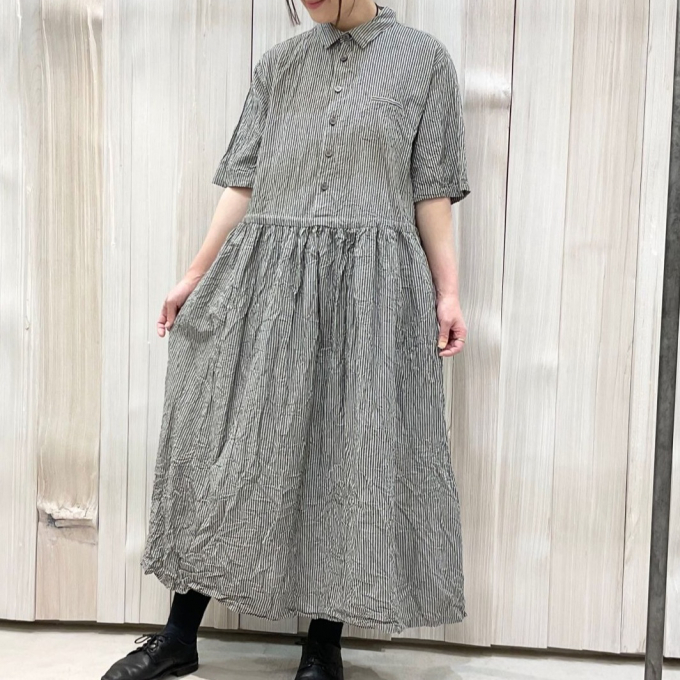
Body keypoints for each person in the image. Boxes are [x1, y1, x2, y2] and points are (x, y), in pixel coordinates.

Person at [101, 1, 471, 678]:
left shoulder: (424, 62)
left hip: (370, 290)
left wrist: (448, 292)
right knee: (232, 446)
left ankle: (323, 645)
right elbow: (243, 181)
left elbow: (432, 192)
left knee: (348, 455)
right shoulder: (279, 65)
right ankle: (180, 636)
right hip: (268, 283)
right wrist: (193, 275)